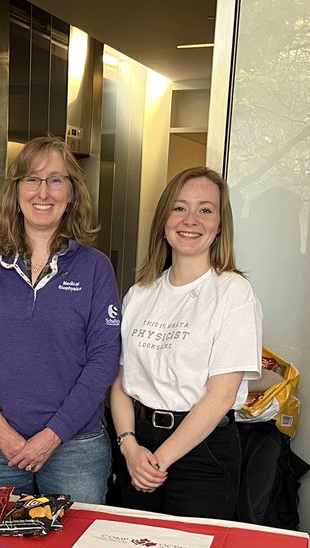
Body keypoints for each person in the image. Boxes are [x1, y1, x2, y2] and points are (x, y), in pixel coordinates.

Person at [0, 136, 120, 503]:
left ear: (72, 194)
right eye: (31, 179)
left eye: (56, 180)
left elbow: (103, 360)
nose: (42, 191)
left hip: (74, 449)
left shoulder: (96, 269)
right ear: (15, 193)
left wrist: (53, 435)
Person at [109, 166, 262, 520]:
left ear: (220, 225)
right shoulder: (139, 294)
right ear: (163, 219)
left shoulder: (232, 293)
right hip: (138, 446)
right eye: (179, 208)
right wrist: (130, 447)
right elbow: (120, 385)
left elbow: (222, 395)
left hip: (202, 452)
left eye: (205, 210)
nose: (190, 219)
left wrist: (158, 462)